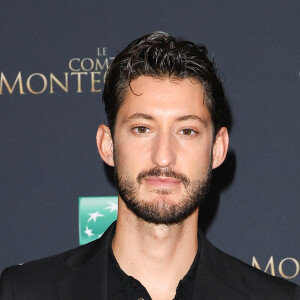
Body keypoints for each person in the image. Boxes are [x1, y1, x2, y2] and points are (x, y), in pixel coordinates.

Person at [0, 31, 299, 300]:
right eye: (143, 128)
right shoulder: (26, 292)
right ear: (108, 145)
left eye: (187, 131)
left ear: (217, 149)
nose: (163, 157)